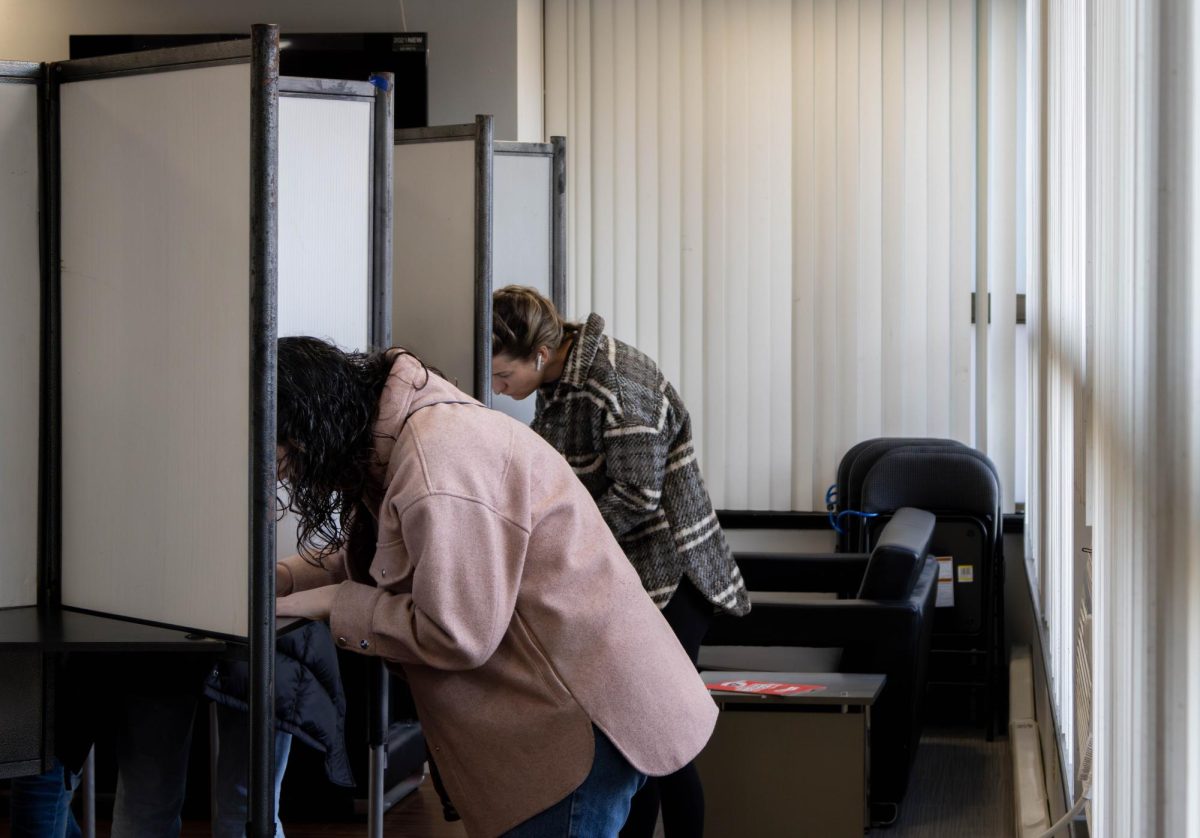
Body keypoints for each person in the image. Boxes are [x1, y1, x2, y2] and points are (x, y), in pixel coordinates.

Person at [272, 336, 717, 838]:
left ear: (311, 427)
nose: (287, 475)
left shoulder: (437, 459)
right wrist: (288, 577)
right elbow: (406, 546)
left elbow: (456, 631)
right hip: (580, 698)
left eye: (285, 458)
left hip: (578, 724)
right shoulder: (411, 429)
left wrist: (336, 603)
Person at [491, 286, 749, 838]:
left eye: (502, 377)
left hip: (672, 573)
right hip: (629, 574)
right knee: (632, 734)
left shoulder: (616, 382)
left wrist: (556, 545)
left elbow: (637, 494)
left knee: (661, 735)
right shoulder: (558, 382)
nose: (497, 388)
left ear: (536, 355)